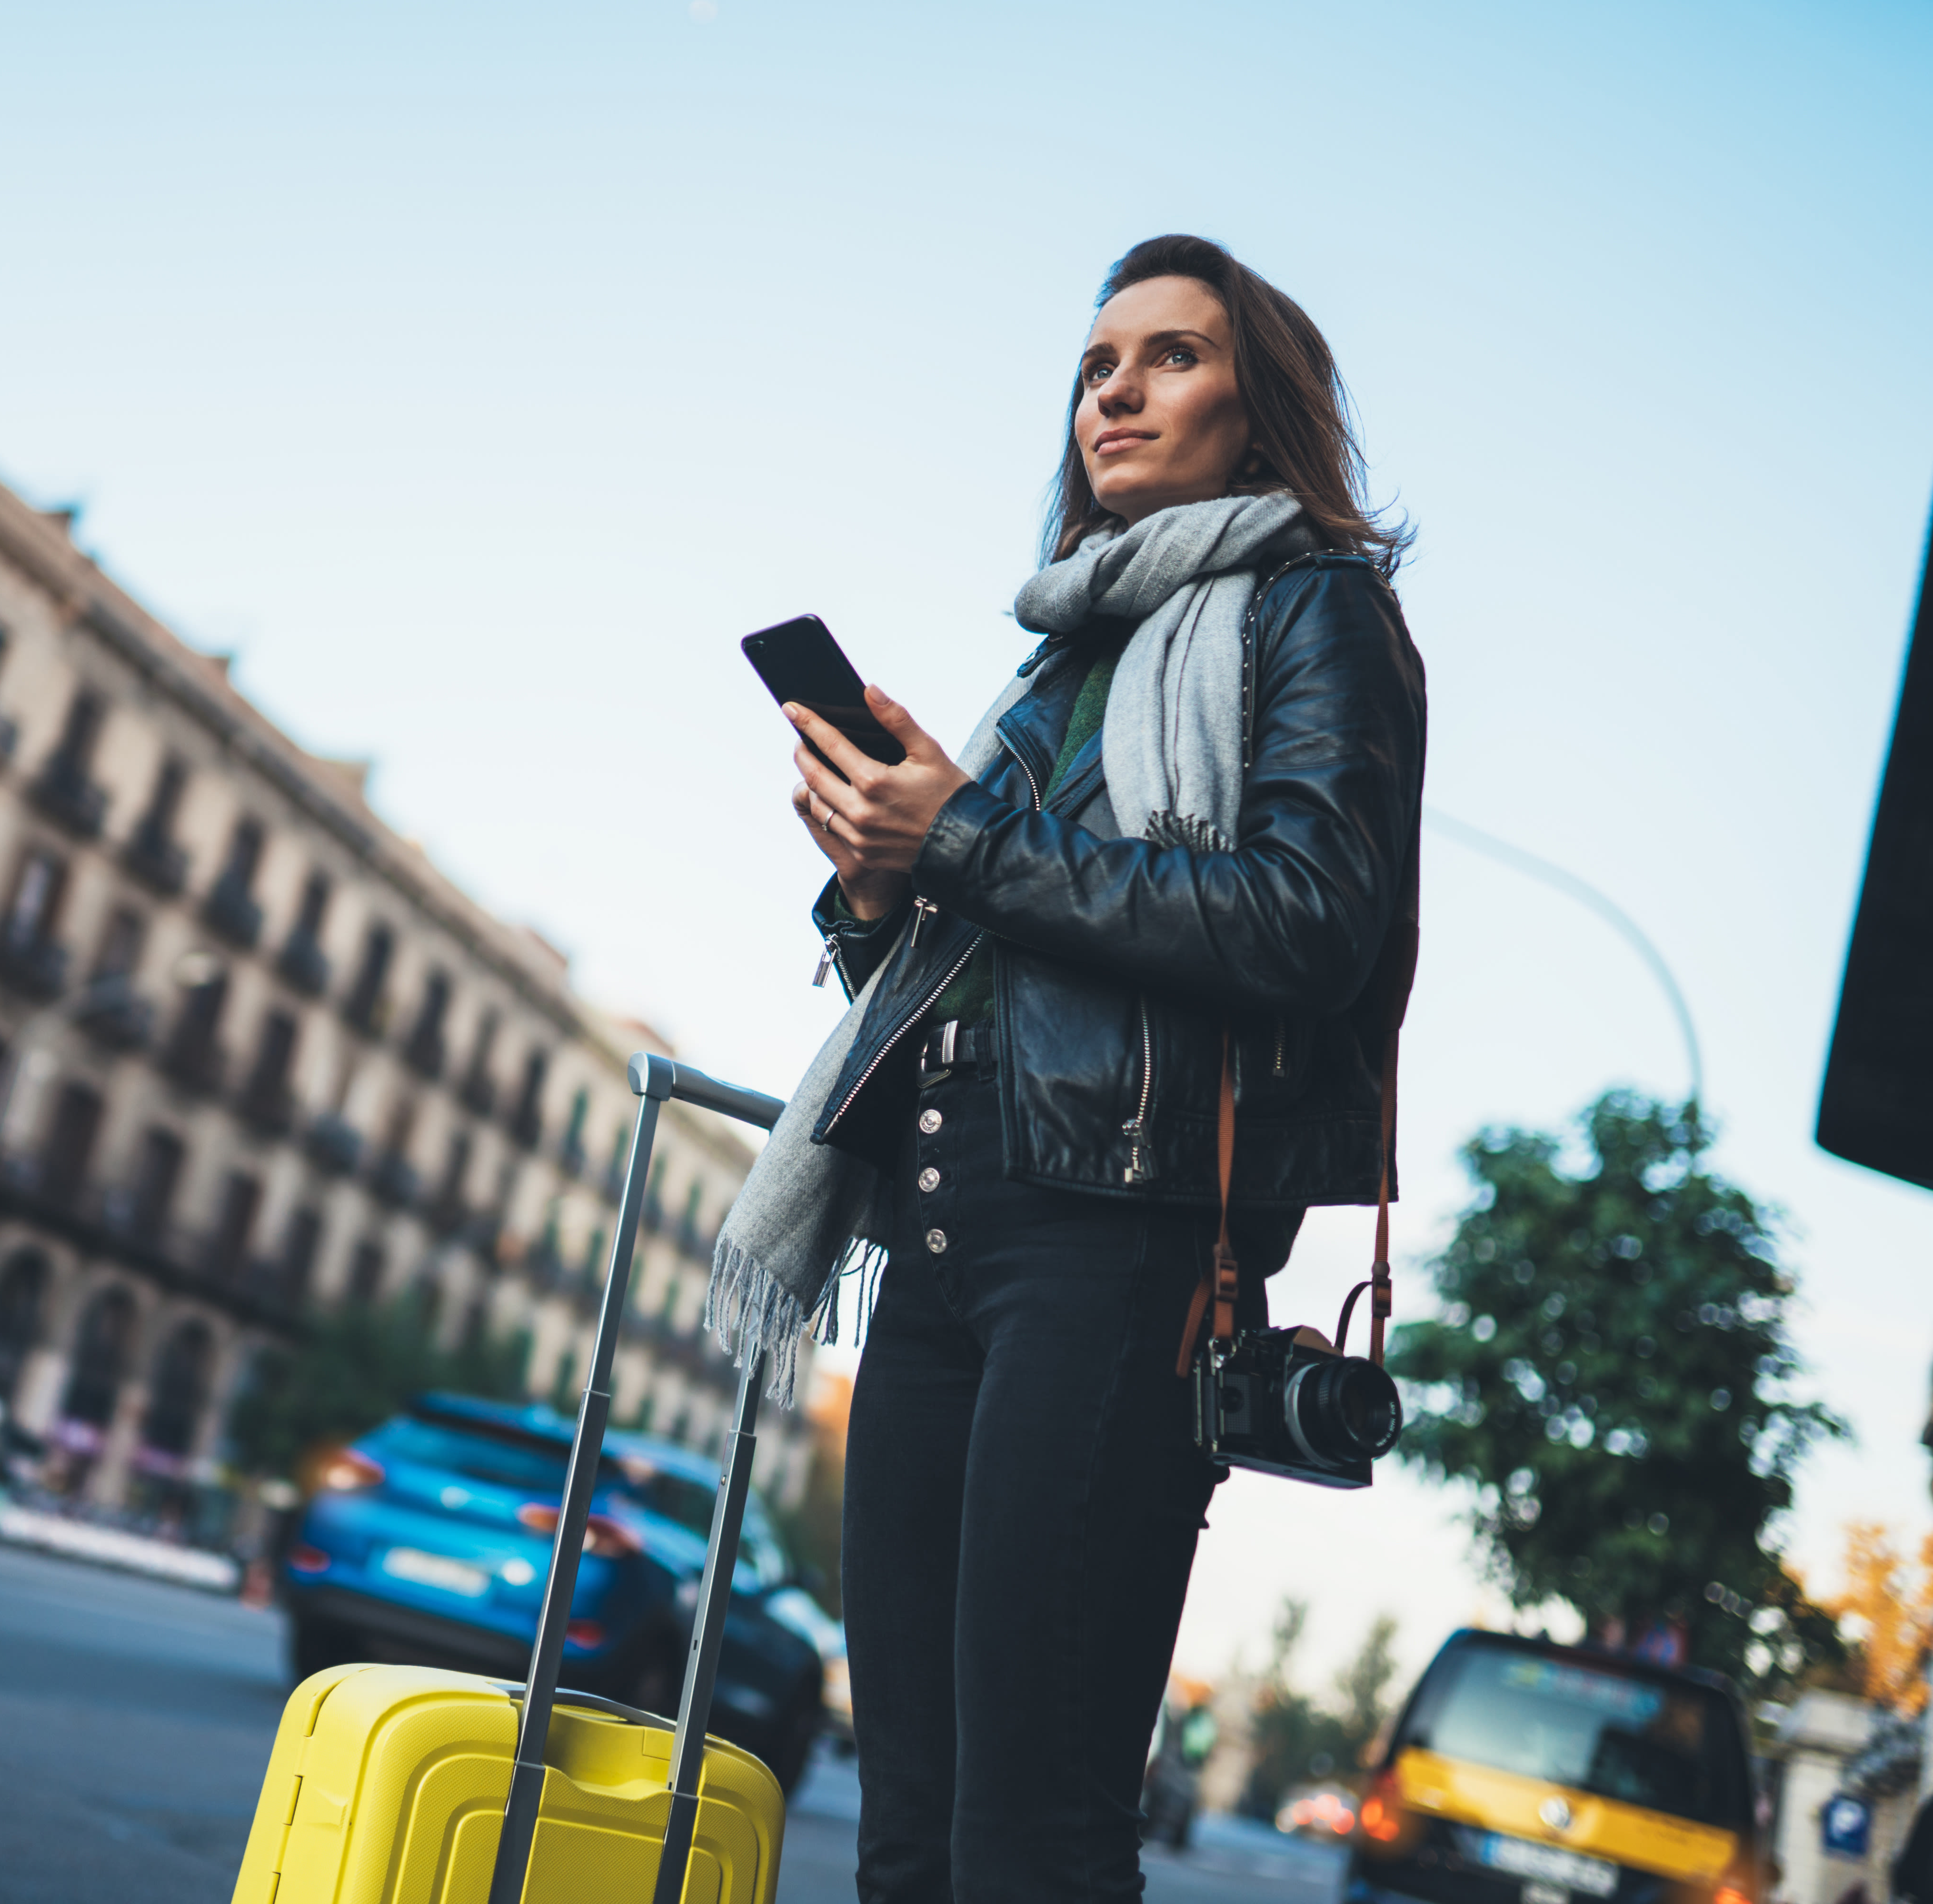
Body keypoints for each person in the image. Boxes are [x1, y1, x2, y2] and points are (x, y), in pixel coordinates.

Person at [706, 233, 1425, 1904]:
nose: (1117, 389)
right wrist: (890, 884)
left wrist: (961, 831)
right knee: (909, 1825)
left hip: (1120, 1248)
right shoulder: (1060, 661)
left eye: (1169, 355)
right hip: (943, 1242)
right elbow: (997, 973)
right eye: (1097, 366)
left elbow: (1310, 924)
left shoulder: (1319, 610)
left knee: (1033, 1832)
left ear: (1265, 410)